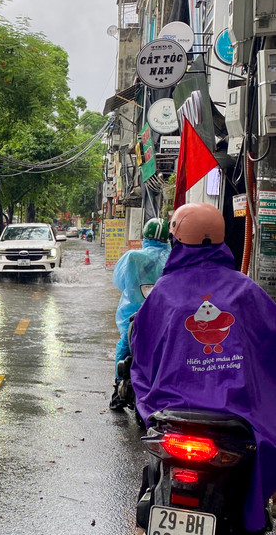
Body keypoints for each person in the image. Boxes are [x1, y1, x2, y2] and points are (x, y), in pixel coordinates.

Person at [131, 202, 276, 533]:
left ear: (177, 241)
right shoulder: (247, 290)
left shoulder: (164, 293)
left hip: (172, 413)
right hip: (239, 419)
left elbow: (142, 355)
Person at [108, 217, 171, 410]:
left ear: (144, 236)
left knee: (125, 346)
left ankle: (118, 387)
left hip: (134, 313)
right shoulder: (175, 257)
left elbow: (120, 282)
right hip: (166, 315)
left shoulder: (133, 257)